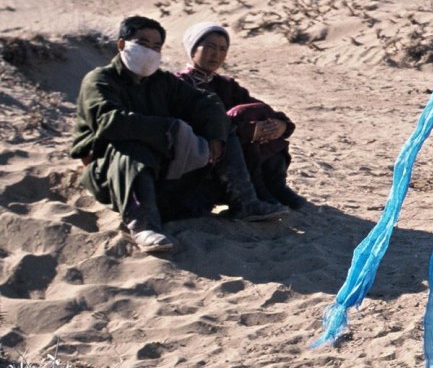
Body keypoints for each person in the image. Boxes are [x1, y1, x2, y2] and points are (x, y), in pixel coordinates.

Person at [71, 15, 283, 254]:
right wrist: (168, 128)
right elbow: (110, 123)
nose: (149, 51)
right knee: (134, 147)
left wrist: (215, 136)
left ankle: (245, 202)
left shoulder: (161, 81)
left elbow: (205, 103)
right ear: (122, 44)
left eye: (156, 46)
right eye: (142, 43)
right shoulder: (100, 80)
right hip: (111, 169)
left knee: (224, 129)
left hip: (161, 168)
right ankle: (143, 226)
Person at [175, 22, 306, 210]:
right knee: (234, 121)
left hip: (235, 158)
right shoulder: (179, 83)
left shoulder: (226, 85)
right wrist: (245, 131)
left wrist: (280, 126)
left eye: (222, 49)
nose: (216, 54)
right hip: (203, 158)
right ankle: (248, 199)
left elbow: (263, 109)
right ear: (193, 49)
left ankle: (276, 187)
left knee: (256, 114)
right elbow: (193, 126)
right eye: (210, 47)